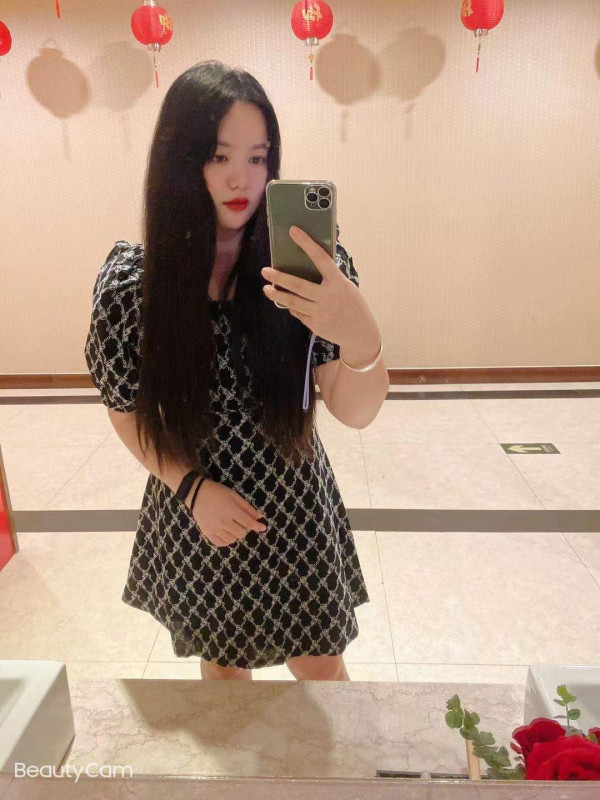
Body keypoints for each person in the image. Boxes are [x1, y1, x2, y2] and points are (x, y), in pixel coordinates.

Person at [84, 60, 386, 682]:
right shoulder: (134, 286)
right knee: (224, 675)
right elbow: (125, 409)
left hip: (295, 502)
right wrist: (191, 489)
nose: (241, 178)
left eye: (258, 157)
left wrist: (361, 336)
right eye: (219, 156)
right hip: (196, 500)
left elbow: (354, 411)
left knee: (322, 669)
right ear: (180, 162)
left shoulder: (303, 270)